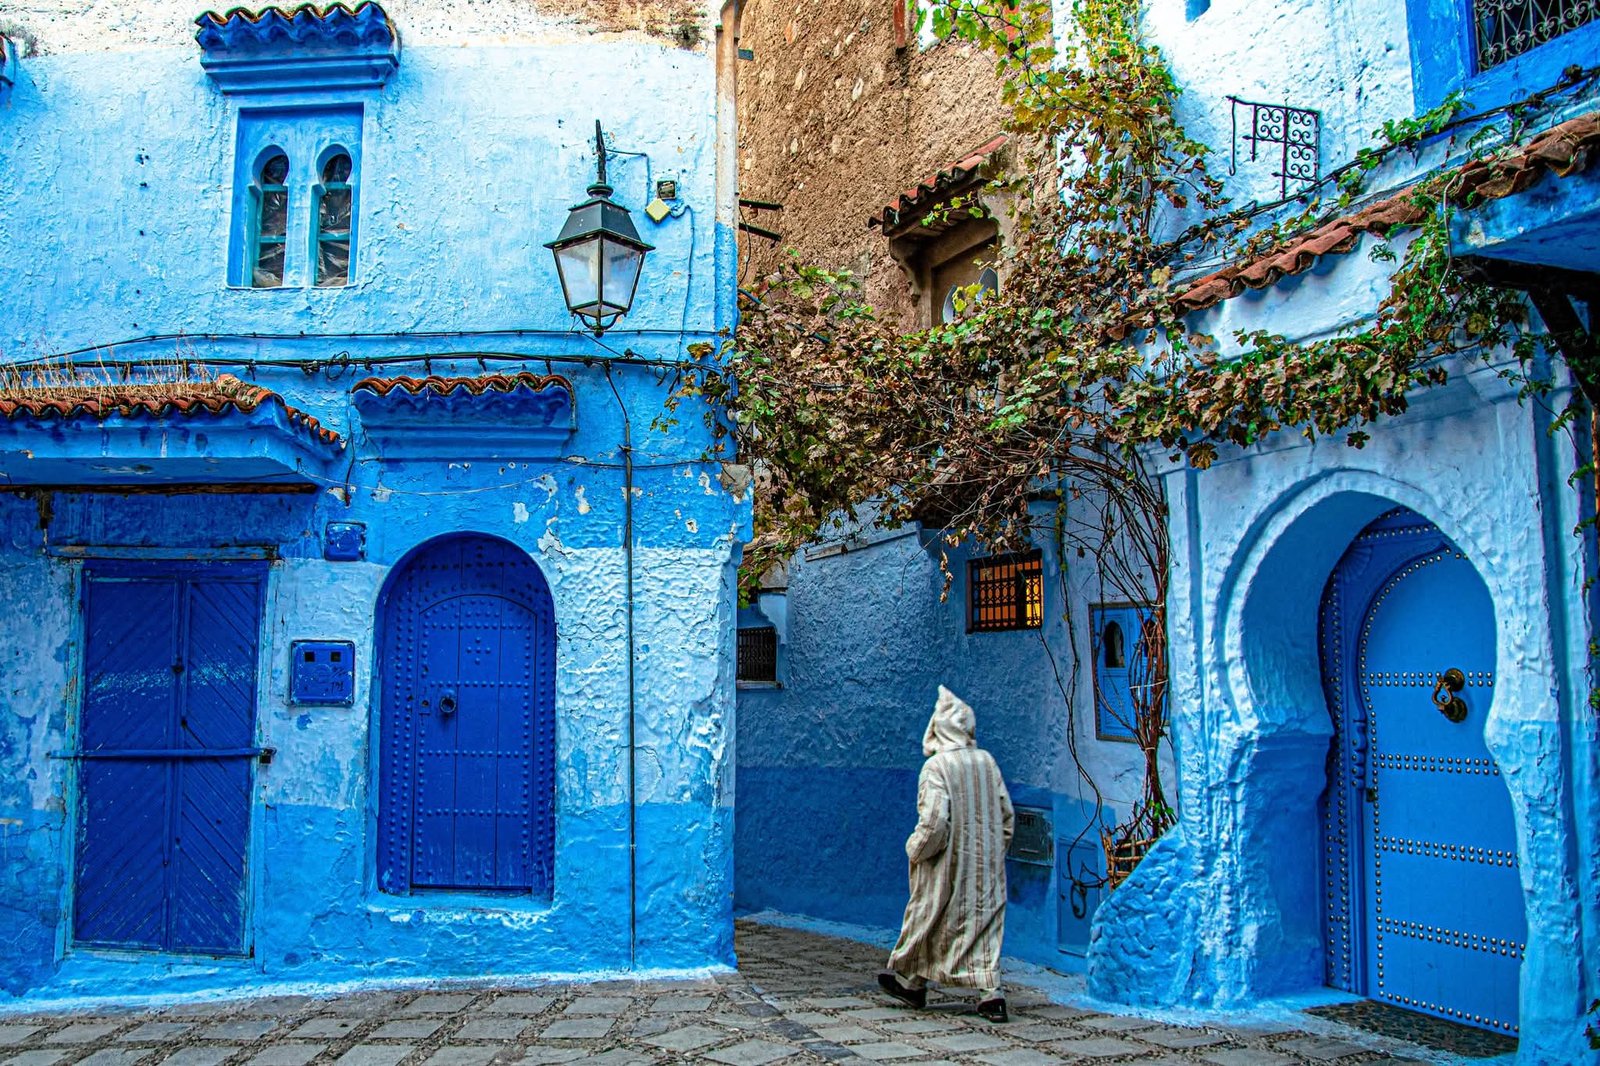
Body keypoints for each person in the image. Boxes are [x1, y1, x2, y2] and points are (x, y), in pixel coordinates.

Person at [878, 685, 1015, 1022]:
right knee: (982, 925)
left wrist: (915, 849)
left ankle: (913, 984)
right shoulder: (986, 762)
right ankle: (989, 995)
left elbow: (935, 822)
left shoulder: (937, 767)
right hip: (985, 866)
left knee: (933, 917)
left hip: (947, 865)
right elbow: (1006, 816)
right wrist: (994, 853)